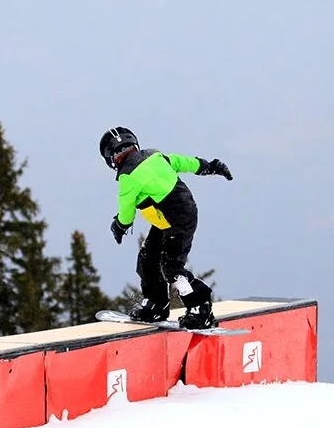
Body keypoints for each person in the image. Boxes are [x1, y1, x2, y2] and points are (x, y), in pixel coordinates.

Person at [99, 126, 234, 329]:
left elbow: (126, 211)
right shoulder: (155, 156)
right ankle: (156, 305)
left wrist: (119, 226)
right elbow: (185, 162)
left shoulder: (127, 177)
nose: (121, 158)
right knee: (148, 260)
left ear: (111, 160)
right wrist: (211, 166)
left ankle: (200, 307)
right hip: (167, 220)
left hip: (177, 221)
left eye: (118, 155)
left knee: (171, 268)